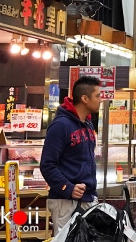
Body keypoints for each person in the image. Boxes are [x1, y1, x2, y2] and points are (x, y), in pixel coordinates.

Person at [41, 76, 101, 235]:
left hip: (87, 199)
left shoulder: (87, 124)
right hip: (65, 201)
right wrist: (67, 187)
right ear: (85, 98)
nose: (101, 100)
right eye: (98, 96)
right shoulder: (61, 125)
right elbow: (47, 164)